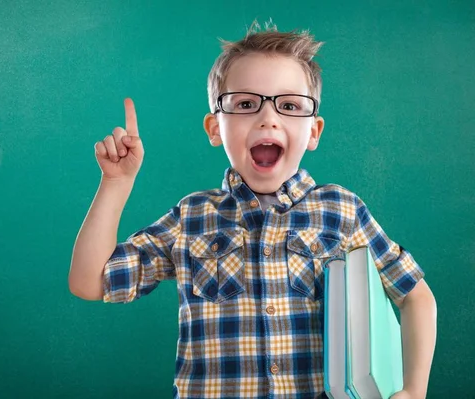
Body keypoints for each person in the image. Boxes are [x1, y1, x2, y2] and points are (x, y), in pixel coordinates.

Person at [69, 21, 437, 399]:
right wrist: (116, 183)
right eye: (246, 103)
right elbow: (89, 281)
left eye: (290, 105)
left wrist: (414, 390)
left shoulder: (342, 211)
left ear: (314, 131)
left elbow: (415, 295)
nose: (268, 117)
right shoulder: (191, 217)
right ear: (215, 128)